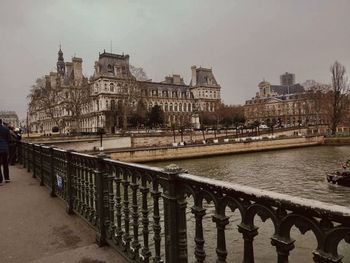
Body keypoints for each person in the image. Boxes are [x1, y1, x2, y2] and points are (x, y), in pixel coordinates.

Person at [0, 119, 11, 185]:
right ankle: (7, 178)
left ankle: (0, 180)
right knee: (5, 164)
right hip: (5, 148)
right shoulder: (6, 129)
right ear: (1, 122)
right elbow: (9, 140)